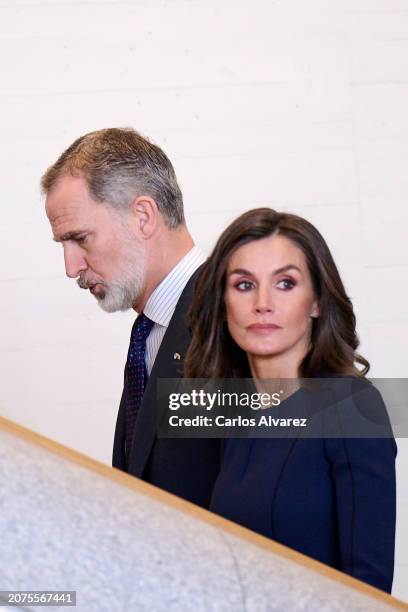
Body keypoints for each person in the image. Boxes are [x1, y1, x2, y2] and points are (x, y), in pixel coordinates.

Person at [184, 207, 396, 592]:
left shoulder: (352, 406)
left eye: (285, 283)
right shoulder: (234, 417)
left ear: (316, 302)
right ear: (223, 303)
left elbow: (369, 588)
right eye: (244, 285)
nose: (262, 303)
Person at [41, 127, 220, 507]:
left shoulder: (236, 320)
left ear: (142, 216)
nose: (72, 267)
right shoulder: (150, 331)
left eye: (81, 239)